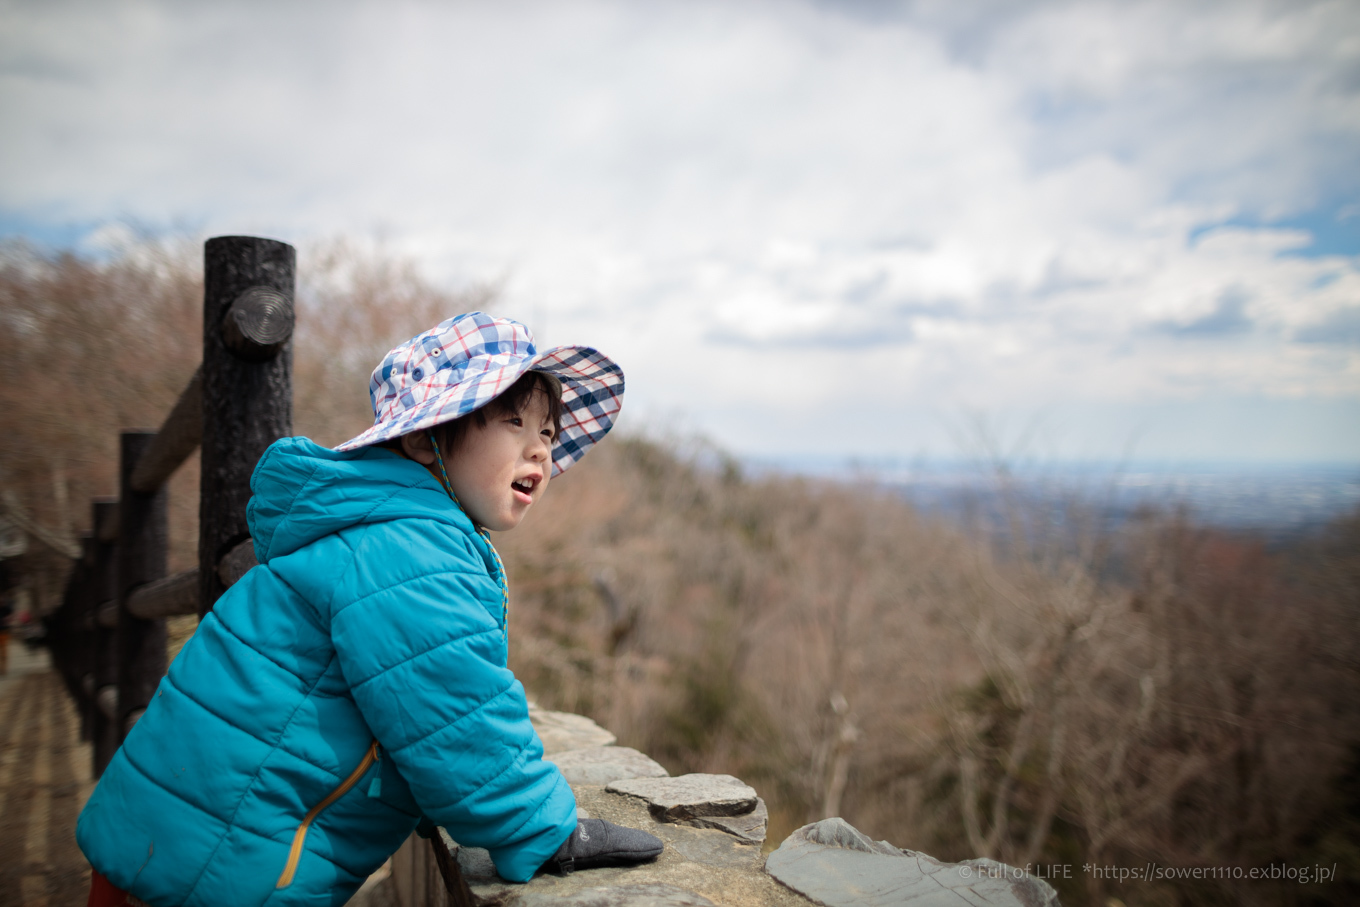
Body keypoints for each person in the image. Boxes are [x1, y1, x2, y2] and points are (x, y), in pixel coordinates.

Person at [77, 313, 661, 907]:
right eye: (513, 421)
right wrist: (544, 830)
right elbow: (456, 712)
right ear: (421, 438)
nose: (540, 447)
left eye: (546, 430)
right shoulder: (410, 548)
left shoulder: (385, 525)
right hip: (217, 861)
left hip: (178, 838)